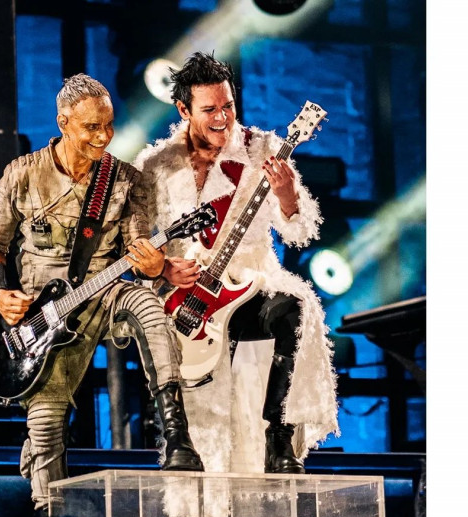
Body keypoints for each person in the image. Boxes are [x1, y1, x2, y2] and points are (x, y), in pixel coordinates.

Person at [0, 74, 204, 517]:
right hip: (41, 318)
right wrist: (0, 291)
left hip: (106, 292)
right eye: (91, 127)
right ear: (63, 122)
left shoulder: (124, 180)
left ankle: (175, 433)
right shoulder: (22, 174)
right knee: (45, 425)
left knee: (147, 305)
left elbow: (140, 249)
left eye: (109, 125)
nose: (103, 136)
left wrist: (154, 265)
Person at [134, 53, 339, 487]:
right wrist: (164, 269)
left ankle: (279, 438)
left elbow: (301, 230)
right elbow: (134, 240)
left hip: (251, 285)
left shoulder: (262, 148)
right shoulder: (156, 164)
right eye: (209, 109)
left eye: (228, 105)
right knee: (207, 419)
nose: (222, 117)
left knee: (296, 308)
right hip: (188, 300)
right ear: (183, 109)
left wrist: (287, 194)